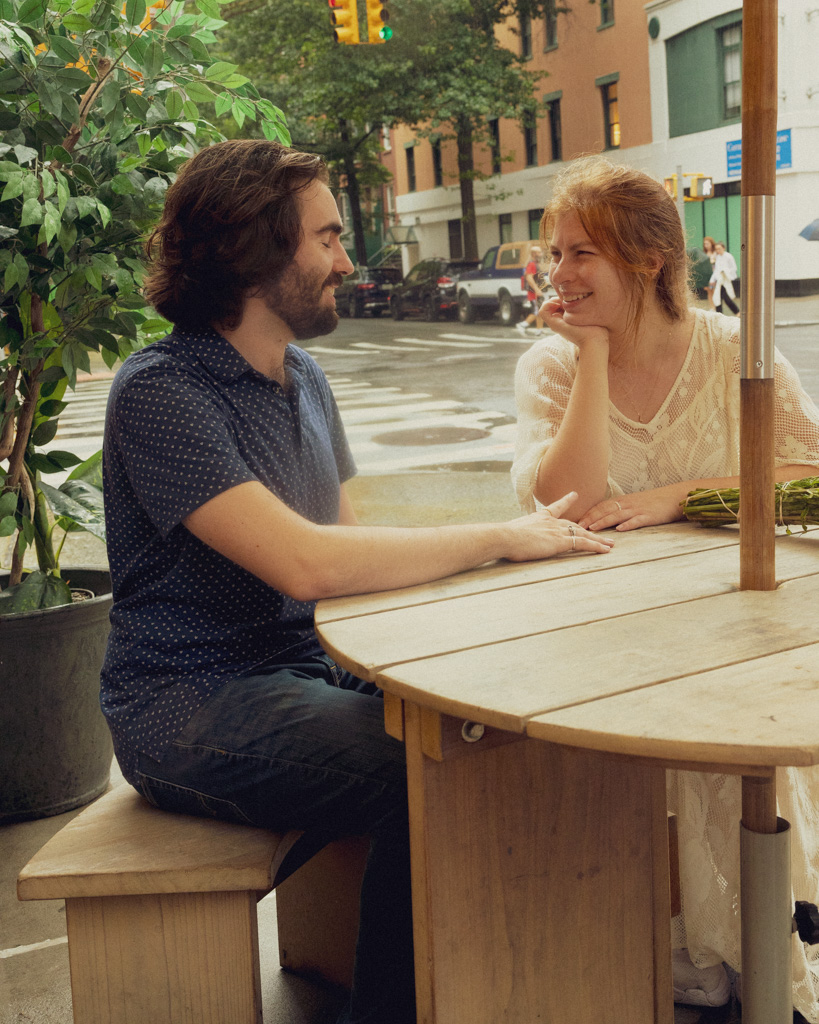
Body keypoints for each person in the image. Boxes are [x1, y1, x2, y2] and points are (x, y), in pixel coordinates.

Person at [100, 139, 613, 1024]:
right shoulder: (161, 391)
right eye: (328, 237)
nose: (347, 259)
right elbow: (304, 561)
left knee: (487, 725)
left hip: (302, 664)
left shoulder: (302, 375)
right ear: (254, 250)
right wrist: (496, 537)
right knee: (422, 772)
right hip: (187, 702)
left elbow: (343, 541)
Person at [511, 155, 819, 1017]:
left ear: (648, 259)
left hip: (730, 622)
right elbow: (562, 497)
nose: (560, 275)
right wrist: (593, 354)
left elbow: (805, 470)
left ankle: (759, 933)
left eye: (583, 255)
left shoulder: (734, 352)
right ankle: (658, 943)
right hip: (600, 632)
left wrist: (677, 497)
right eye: (557, 253)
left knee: (741, 730)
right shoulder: (554, 364)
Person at [515, 244, 548, 336]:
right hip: (534, 293)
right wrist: (537, 290)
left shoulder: (536, 264)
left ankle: (539, 330)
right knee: (536, 311)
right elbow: (529, 278)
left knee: (540, 311)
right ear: (534, 254)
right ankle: (522, 325)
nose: (541, 254)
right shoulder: (532, 264)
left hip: (537, 292)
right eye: (539, 252)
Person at [710, 240, 740, 315]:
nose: (718, 250)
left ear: (723, 248)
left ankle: (736, 311)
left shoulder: (728, 256)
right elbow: (716, 269)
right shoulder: (717, 257)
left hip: (727, 279)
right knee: (718, 297)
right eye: (716, 249)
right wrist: (712, 279)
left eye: (719, 248)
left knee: (725, 298)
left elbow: (734, 268)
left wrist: (725, 271)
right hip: (720, 280)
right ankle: (720, 314)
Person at [701, 235, 717, 306]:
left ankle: (716, 306)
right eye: (705, 244)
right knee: (709, 291)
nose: (706, 245)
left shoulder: (715, 253)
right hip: (707, 275)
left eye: (707, 243)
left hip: (713, 274)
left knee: (713, 291)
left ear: (711, 244)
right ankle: (711, 307)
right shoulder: (704, 253)